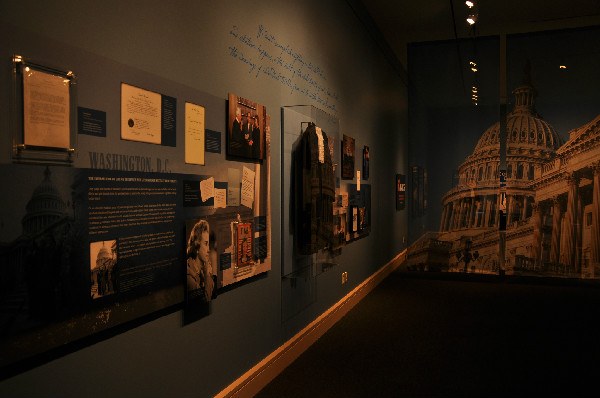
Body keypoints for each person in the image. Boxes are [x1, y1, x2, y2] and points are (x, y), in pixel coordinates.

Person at [186, 219, 214, 302]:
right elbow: (206, 300)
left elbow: (212, 292)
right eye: (205, 244)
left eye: (209, 244)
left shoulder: (204, 268)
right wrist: (207, 276)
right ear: (197, 246)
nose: (208, 249)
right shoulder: (188, 275)